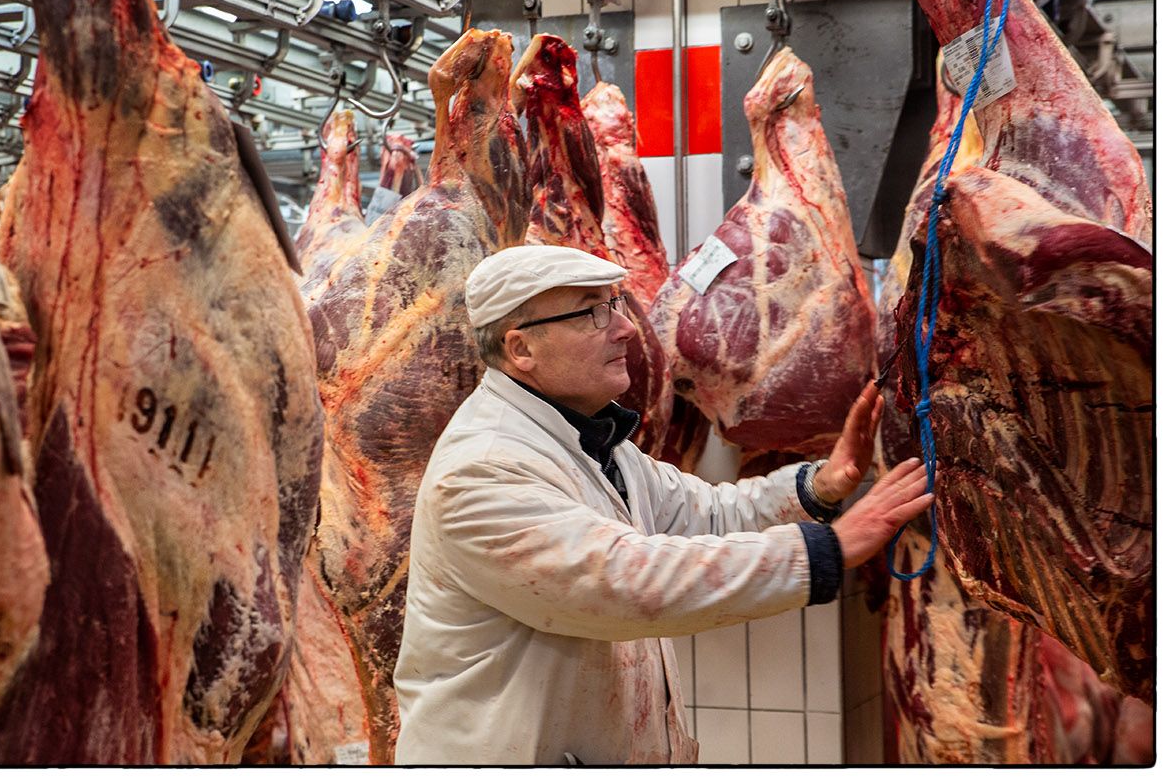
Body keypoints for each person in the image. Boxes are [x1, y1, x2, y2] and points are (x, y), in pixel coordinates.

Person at [393, 245, 933, 765]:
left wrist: (819, 488)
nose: (626, 328)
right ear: (521, 350)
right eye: (591, 313)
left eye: (615, 304)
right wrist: (824, 552)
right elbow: (624, 582)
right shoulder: (483, 468)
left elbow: (709, 516)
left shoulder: (594, 443)